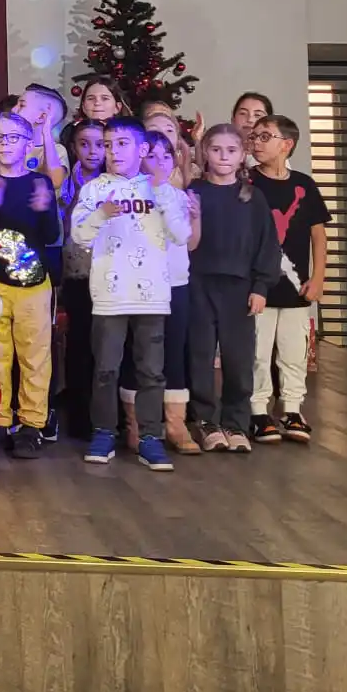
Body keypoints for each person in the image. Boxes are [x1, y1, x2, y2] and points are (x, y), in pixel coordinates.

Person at [70, 115, 192, 472]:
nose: (113, 152)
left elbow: (181, 236)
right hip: (109, 296)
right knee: (105, 368)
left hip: (152, 296)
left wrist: (162, 192)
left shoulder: (161, 189)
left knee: (151, 371)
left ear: (142, 150)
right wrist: (101, 215)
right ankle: (104, 432)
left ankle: (150, 437)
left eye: (122, 144)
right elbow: (79, 235)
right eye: (108, 145)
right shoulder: (95, 189)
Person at [189, 124, 282, 453]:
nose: (223, 157)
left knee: (238, 359)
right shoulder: (193, 192)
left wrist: (261, 286)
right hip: (198, 285)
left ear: (243, 155)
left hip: (239, 289)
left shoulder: (252, 198)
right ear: (205, 152)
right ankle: (205, 421)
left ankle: (236, 423)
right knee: (199, 356)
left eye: (231, 150)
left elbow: (267, 245)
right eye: (216, 150)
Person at [0, 111, 61, 458]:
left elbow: (51, 235)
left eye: (13, 138)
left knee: (34, 356)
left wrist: (43, 209)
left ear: (27, 144)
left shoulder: (39, 183)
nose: (5, 144)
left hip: (34, 284)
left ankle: (31, 424)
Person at [248, 114, 329, 444]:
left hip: (296, 288)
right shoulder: (247, 181)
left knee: (294, 351)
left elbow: (318, 235)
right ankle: (257, 410)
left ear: (287, 144)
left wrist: (318, 276)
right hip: (259, 287)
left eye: (265, 136)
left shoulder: (304, 185)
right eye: (254, 136)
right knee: (257, 351)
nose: (256, 142)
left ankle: (292, 408)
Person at [142, 129, 201, 454]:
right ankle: (140, 424)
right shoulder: (132, 195)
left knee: (174, 352)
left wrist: (196, 217)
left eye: (167, 155)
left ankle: (176, 424)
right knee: (142, 355)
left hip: (177, 284)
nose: (161, 162)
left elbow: (190, 243)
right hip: (143, 286)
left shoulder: (180, 196)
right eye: (152, 155)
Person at [58, 118, 107, 440]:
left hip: (108, 272)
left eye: (100, 144)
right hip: (76, 272)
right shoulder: (66, 181)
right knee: (78, 343)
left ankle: (107, 415)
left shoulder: (114, 181)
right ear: (74, 147)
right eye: (84, 144)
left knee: (106, 344)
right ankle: (79, 415)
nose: (92, 151)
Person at [15, 84, 68, 190]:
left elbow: (54, 181)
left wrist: (46, 130)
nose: (13, 109)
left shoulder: (58, 151)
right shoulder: (13, 146)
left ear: (41, 117)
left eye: (21, 105)